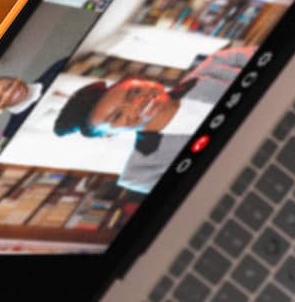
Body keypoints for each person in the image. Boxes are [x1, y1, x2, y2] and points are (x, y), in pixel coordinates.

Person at [50, 45, 255, 193]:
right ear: (109, 135)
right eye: (118, 116)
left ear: (147, 80)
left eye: (133, 92)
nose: (137, 103)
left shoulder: (221, 63)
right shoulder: (143, 174)